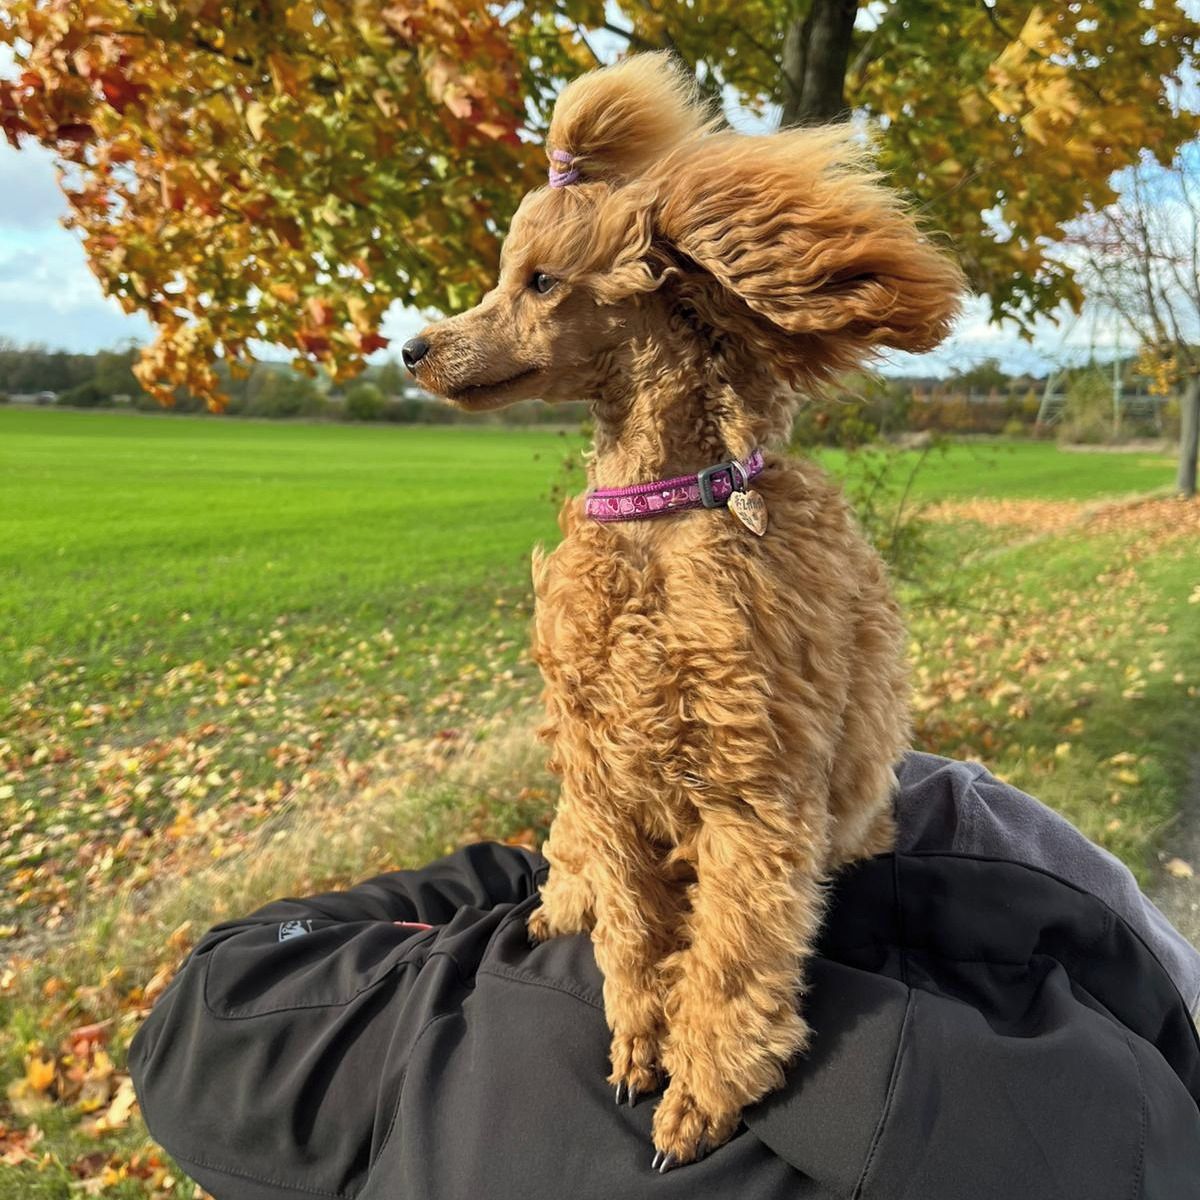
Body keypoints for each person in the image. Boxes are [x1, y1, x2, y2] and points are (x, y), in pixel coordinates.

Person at [128, 753, 1200, 1199]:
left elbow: (209, 1014)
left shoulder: (441, 1022)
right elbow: (1167, 1023)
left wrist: (534, 886)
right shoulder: (1107, 1106)